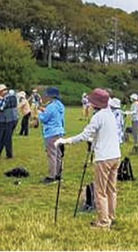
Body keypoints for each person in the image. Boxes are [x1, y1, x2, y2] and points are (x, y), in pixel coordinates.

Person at [55, 88, 121, 229]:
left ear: (95, 103)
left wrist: (67, 141)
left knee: (100, 191)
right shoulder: (110, 114)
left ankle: (103, 222)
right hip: (115, 156)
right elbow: (103, 133)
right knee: (111, 189)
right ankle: (111, 216)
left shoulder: (98, 117)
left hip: (104, 158)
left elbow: (84, 135)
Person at [38, 87, 65, 184]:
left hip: (51, 132)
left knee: (52, 155)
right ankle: (58, 174)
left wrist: (40, 113)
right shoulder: (60, 106)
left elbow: (44, 119)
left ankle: (51, 176)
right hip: (60, 131)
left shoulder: (51, 106)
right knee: (58, 154)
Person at [0, 84, 18, 159]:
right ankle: (8, 154)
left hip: (7, 120)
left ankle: (9, 154)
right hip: (12, 119)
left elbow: (1, 108)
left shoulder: (7, 97)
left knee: (5, 138)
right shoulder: (12, 95)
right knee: (5, 137)